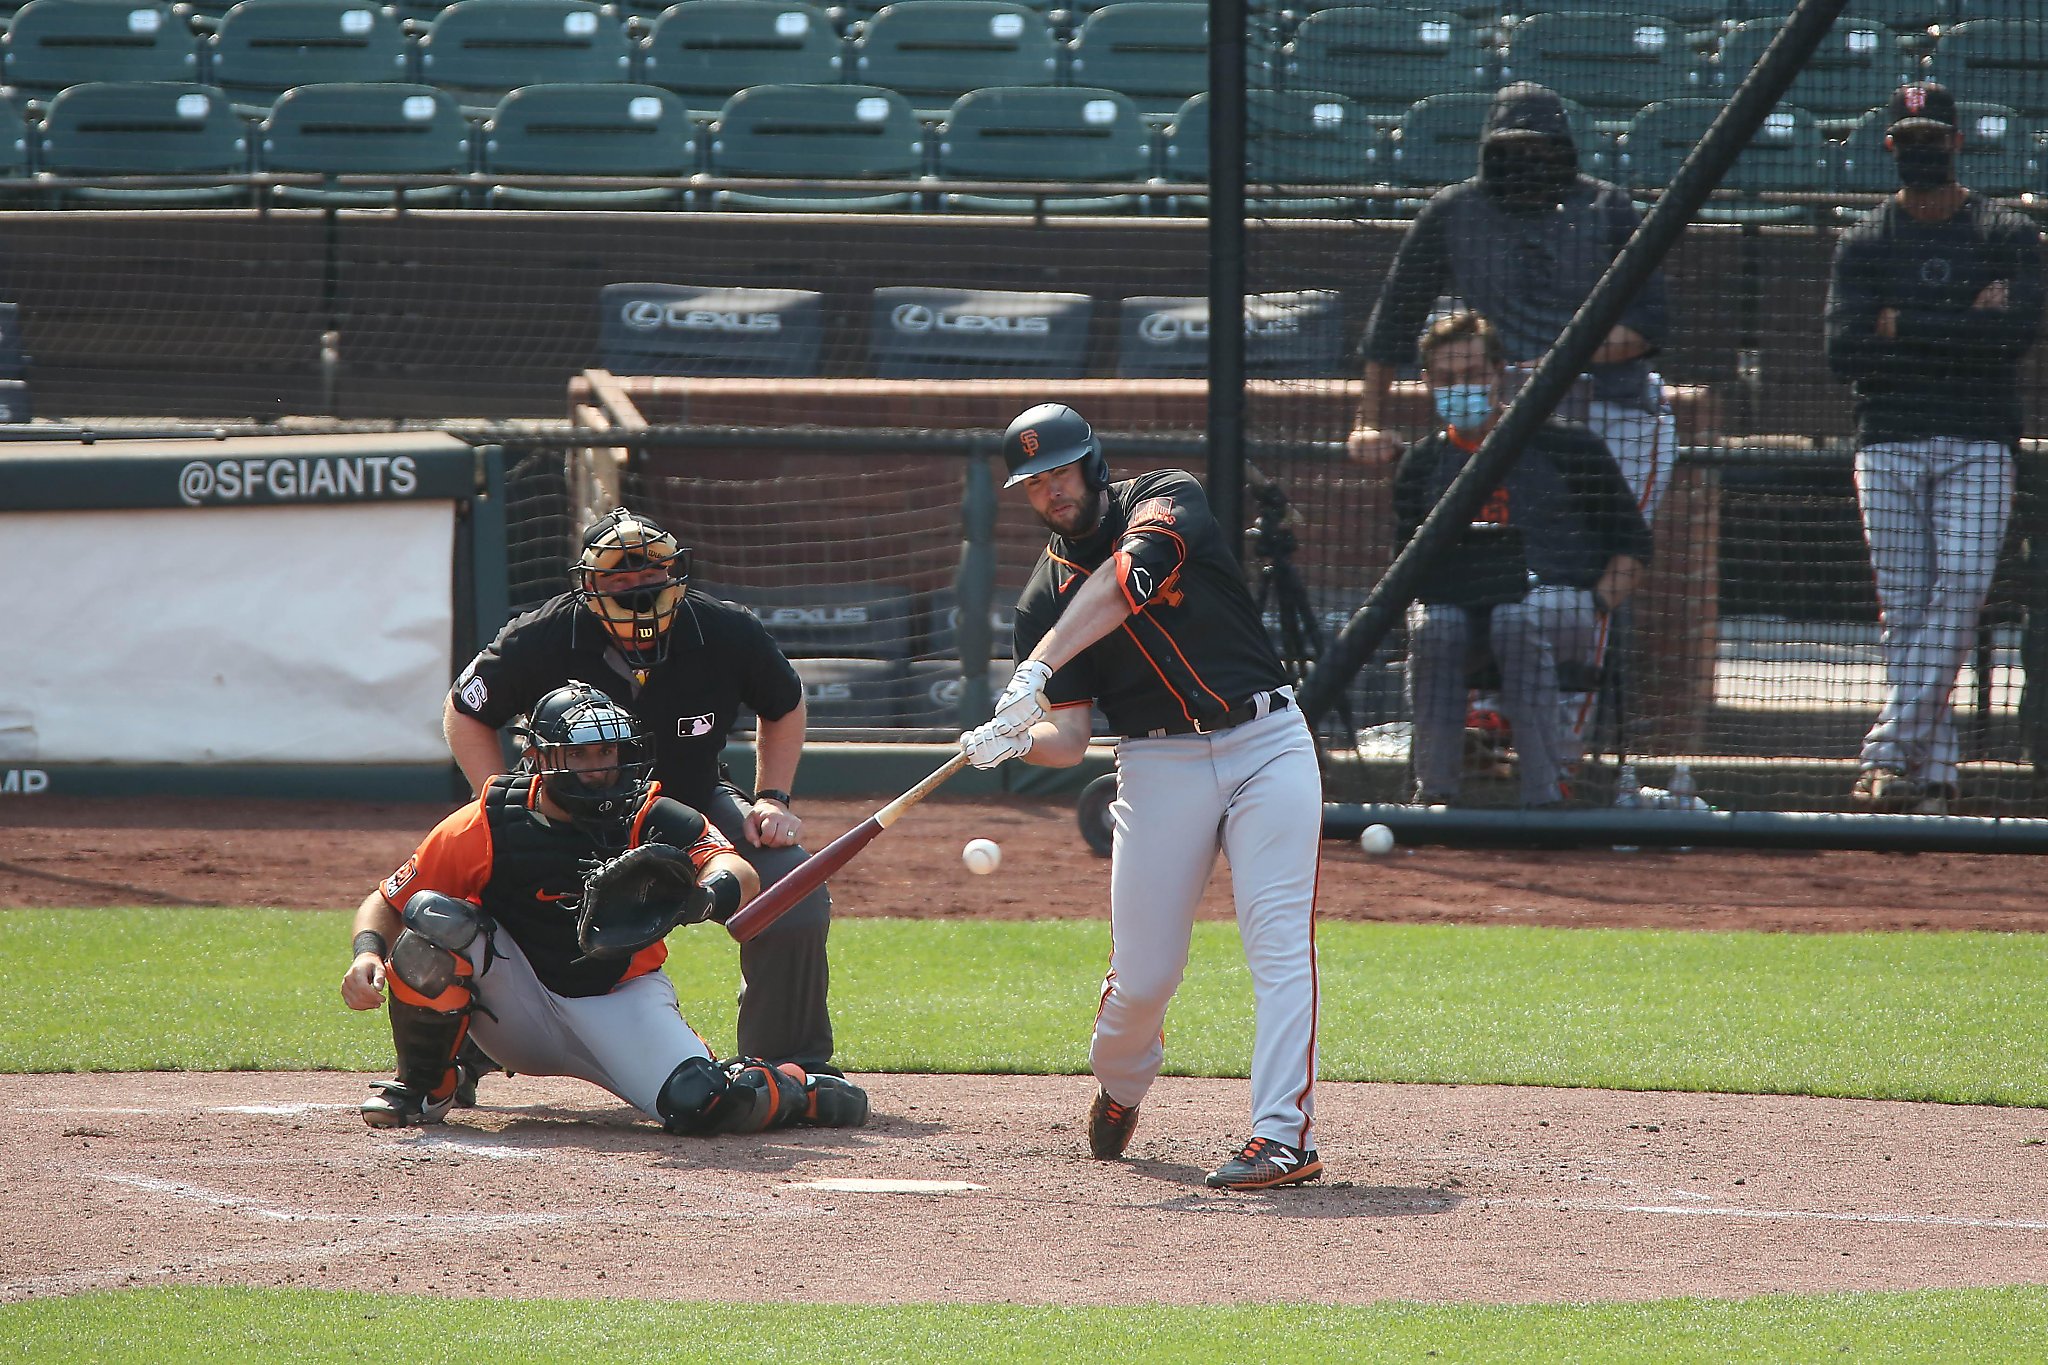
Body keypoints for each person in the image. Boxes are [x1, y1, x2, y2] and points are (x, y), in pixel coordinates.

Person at [958, 403, 1324, 1192]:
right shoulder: (1040, 599)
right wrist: (1014, 735)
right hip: (1160, 765)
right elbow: (1068, 738)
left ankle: (1281, 1135)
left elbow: (1128, 583)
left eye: (1060, 470)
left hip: (1268, 740)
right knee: (1145, 976)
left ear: (1091, 461)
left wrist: (1037, 669)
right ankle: (1122, 1084)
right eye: (1033, 481)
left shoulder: (1164, 494)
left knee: (1278, 941)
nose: (1051, 490)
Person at [341, 681, 868, 1134]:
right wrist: (366, 956)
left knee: (704, 1103)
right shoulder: (487, 821)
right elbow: (387, 901)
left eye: (607, 753)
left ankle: (798, 1086)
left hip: (621, 999)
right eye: (580, 754)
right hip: (516, 1001)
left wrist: (703, 897)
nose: (598, 769)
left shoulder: (651, 813)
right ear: (542, 758)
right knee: (436, 923)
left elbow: (737, 870)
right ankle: (426, 1086)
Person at [444, 507, 835, 1073]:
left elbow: (786, 704)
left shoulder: (726, 629)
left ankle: (788, 1065)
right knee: (459, 908)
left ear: (677, 575)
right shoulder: (542, 634)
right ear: (589, 584)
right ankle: (449, 1060)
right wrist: (497, 801)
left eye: (650, 577)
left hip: (692, 805)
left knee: (793, 892)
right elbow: (467, 711)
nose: (637, 591)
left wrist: (772, 798)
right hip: (567, 816)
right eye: (620, 580)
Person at [1826, 82, 2045, 816]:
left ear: (1957, 142)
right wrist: (1959, 320)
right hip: (1887, 441)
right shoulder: (1863, 239)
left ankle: (1887, 751)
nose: (1922, 150)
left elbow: (2015, 336)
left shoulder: (2003, 231)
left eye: (1934, 137)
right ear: (1891, 146)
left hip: (1978, 440)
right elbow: (1843, 351)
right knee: (1905, 606)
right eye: (1909, 139)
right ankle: (1935, 771)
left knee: (1962, 586)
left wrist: (1901, 323)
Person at [1350, 81, 1674, 523]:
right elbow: (1393, 321)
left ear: (1563, 150)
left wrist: (1557, 362)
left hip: (1611, 409)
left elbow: (1648, 323)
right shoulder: (1456, 211)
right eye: (1512, 149)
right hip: (1506, 418)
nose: (1526, 162)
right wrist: (1367, 421)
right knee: (1514, 552)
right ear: (1489, 151)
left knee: (1607, 550)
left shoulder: (1605, 206)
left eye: (1540, 150)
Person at [1395, 312, 1652, 808]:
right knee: (1434, 628)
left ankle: (1547, 795)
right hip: (1458, 608)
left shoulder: (1568, 444)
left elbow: (1633, 547)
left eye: (1472, 374)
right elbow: (1405, 567)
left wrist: (1598, 603)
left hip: (1558, 601)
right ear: (1428, 382)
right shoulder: (1422, 464)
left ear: (1497, 373)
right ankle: (1434, 797)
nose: (1461, 387)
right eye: (1447, 378)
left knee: (1515, 618)